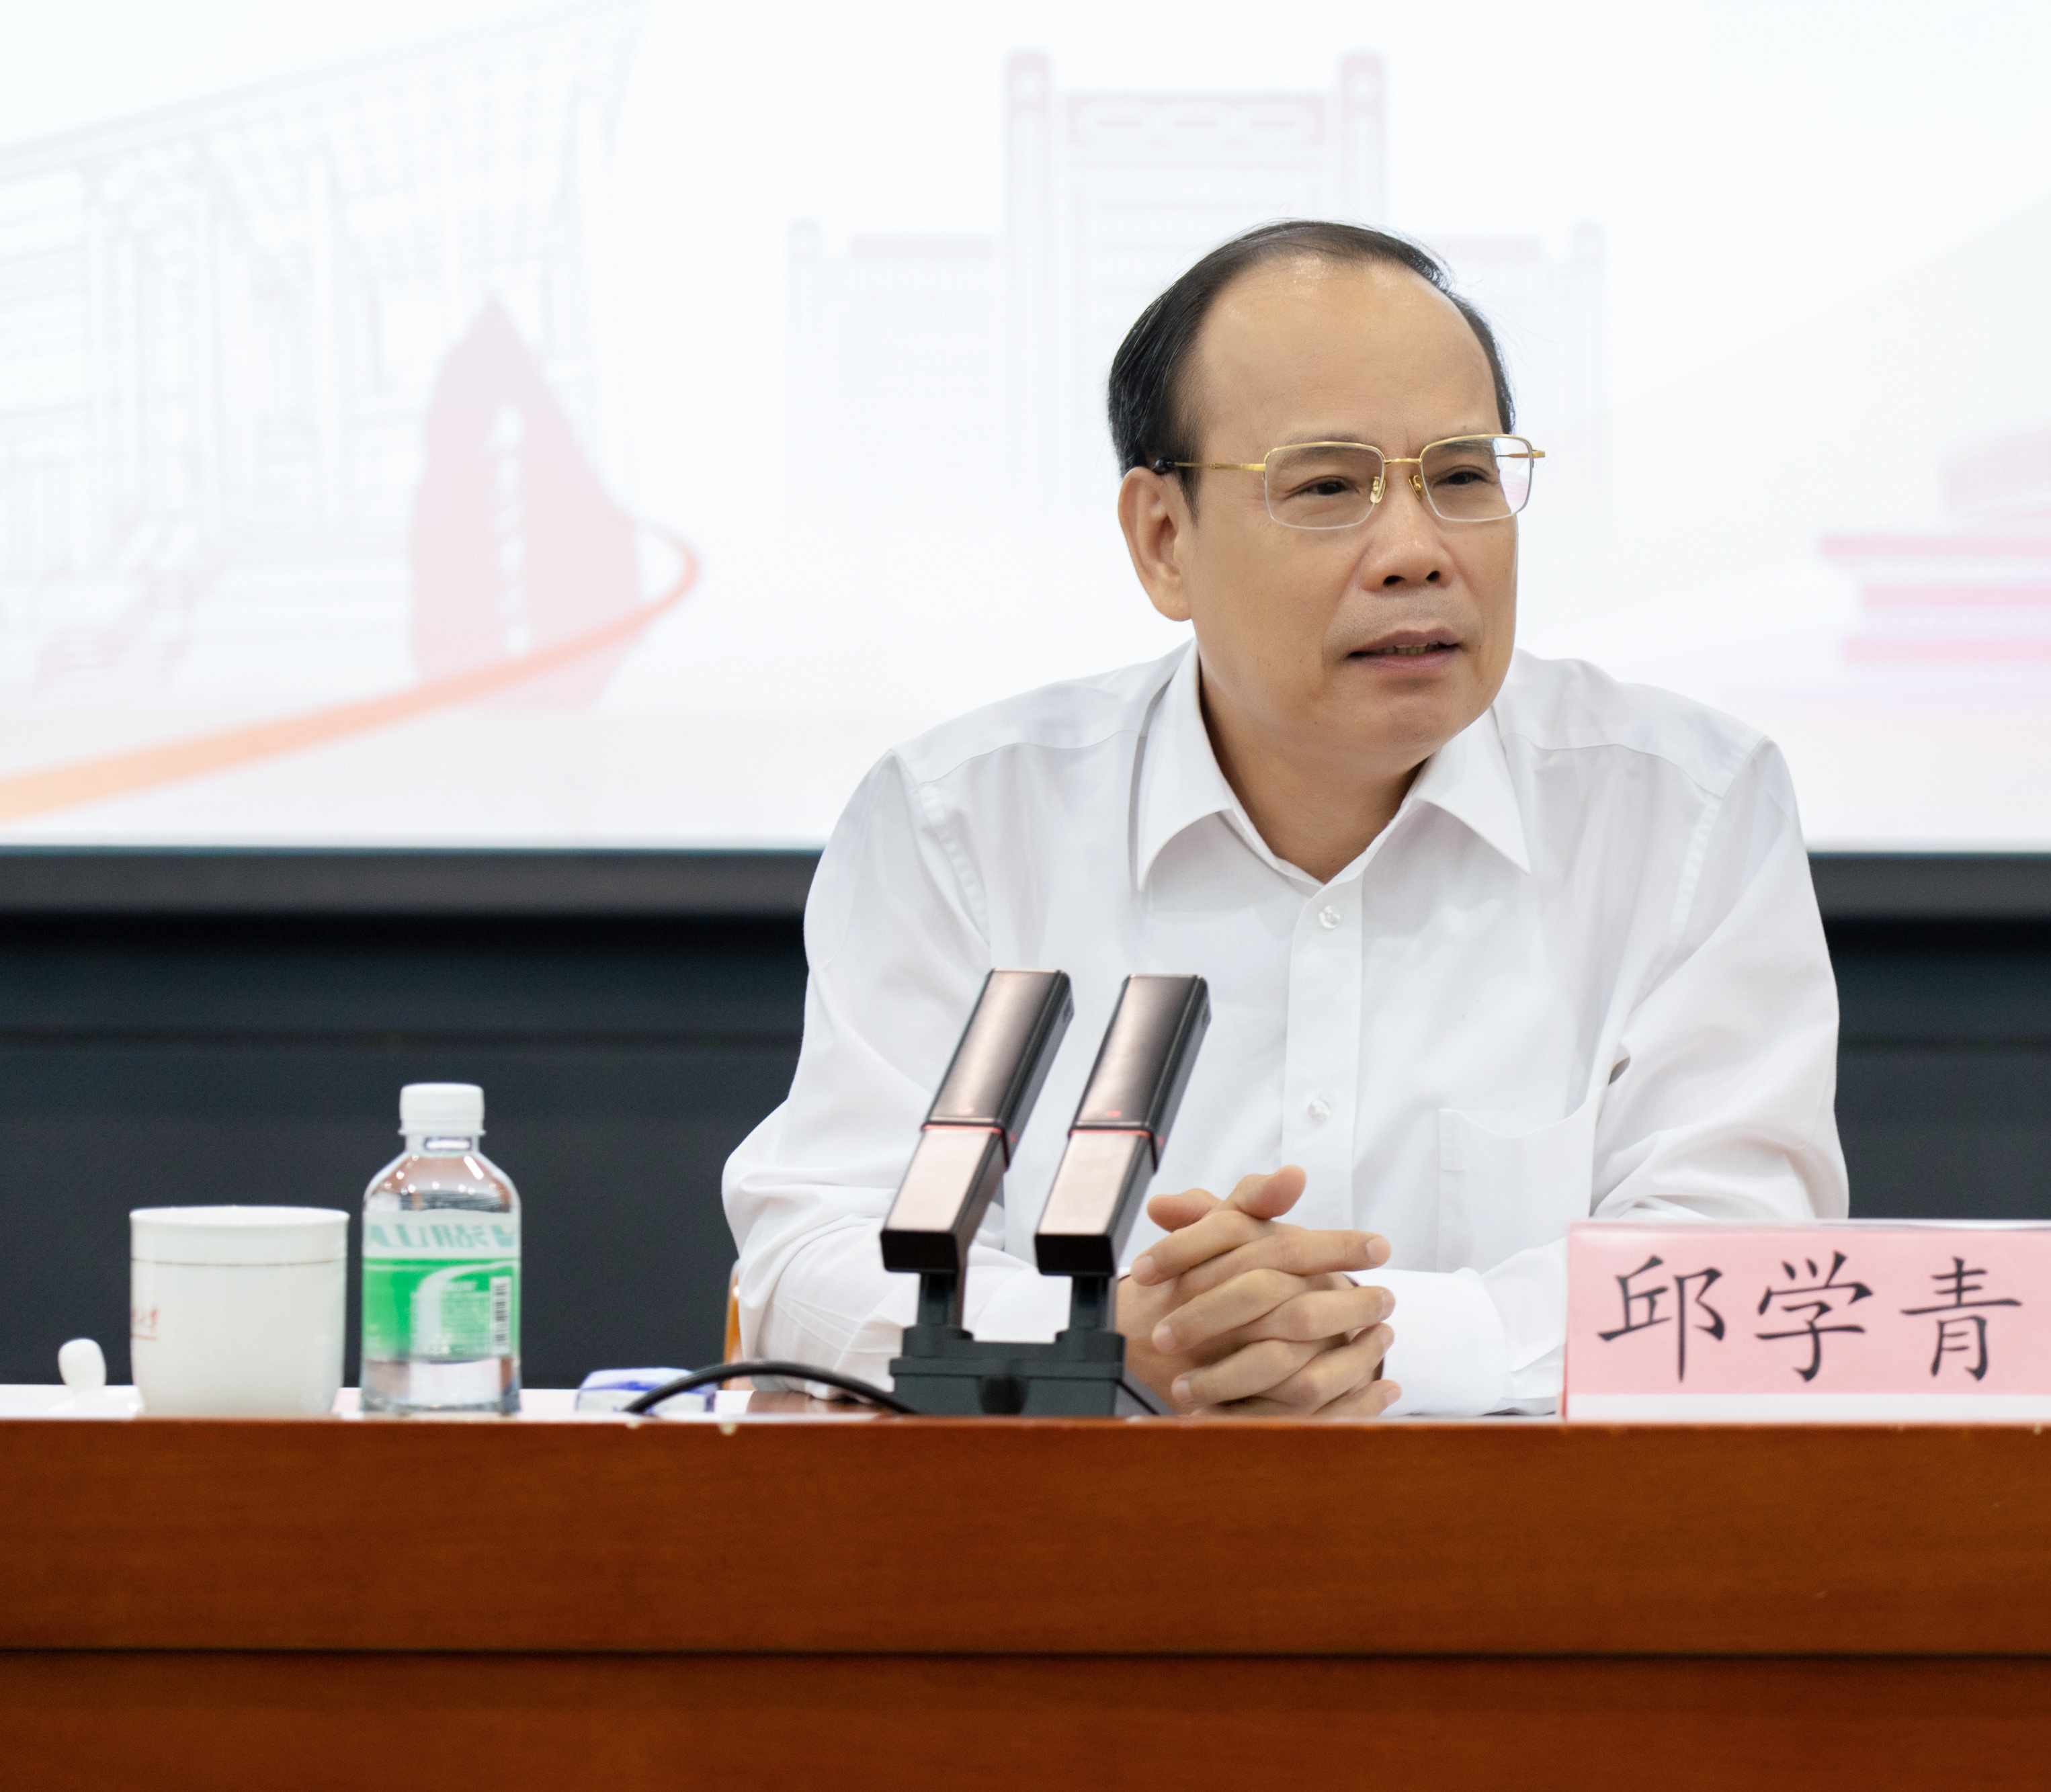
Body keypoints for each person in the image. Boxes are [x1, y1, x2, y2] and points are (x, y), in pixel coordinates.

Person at [723, 220, 1847, 1416]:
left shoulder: (1684, 811)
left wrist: (1356, 1336)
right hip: (1077, 1530)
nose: (1416, 552)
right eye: (1326, 488)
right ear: (1164, 541)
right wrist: (1106, 1344)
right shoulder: (963, 823)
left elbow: (1746, 1264)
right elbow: (812, 1253)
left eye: (1463, 478)